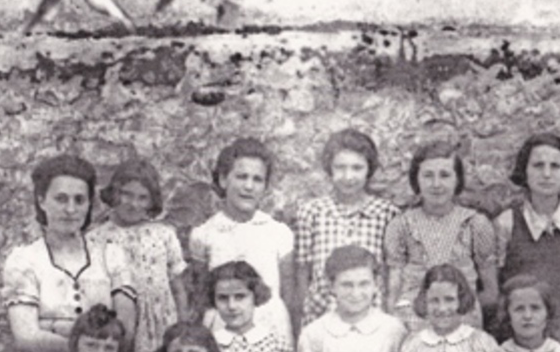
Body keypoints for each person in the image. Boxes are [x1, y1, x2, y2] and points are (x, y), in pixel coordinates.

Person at [3, 154, 136, 352]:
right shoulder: (24, 260)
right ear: (42, 201)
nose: (70, 209)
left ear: (89, 204)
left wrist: (56, 330)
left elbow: (125, 329)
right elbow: (26, 336)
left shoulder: (111, 255)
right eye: (61, 199)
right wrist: (97, 348)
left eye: (79, 200)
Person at [92, 158, 189, 352]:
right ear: (114, 193)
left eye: (142, 197)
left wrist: (183, 327)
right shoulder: (97, 238)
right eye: (126, 194)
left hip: (158, 325)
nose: (133, 204)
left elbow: (177, 286)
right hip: (119, 323)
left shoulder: (164, 234)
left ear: (152, 201)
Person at [384, 140, 498, 331]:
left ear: (457, 179)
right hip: (413, 322)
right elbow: (393, 292)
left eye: (445, 175)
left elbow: (491, 292)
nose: (436, 184)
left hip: (462, 321)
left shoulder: (475, 224)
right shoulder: (401, 225)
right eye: (428, 176)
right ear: (416, 179)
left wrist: (466, 311)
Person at [189, 137, 297, 339]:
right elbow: (201, 296)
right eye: (241, 177)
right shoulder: (204, 234)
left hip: (270, 330)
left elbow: (288, 297)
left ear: (265, 187)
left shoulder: (279, 233)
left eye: (257, 180)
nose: (249, 186)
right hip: (222, 330)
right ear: (223, 179)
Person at [494, 133, 560, 344]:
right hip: (521, 338)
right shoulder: (506, 223)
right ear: (525, 170)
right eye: (538, 166)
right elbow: (497, 286)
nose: (547, 174)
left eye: (555, 166)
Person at [295, 128, 398, 325]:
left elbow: (390, 273)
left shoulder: (387, 214)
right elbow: (302, 273)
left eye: (357, 168)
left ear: (369, 170)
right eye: (340, 168)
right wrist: (305, 318)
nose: (348, 176)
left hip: (371, 320)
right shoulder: (312, 212)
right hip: (322, 317)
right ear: (330, 169)